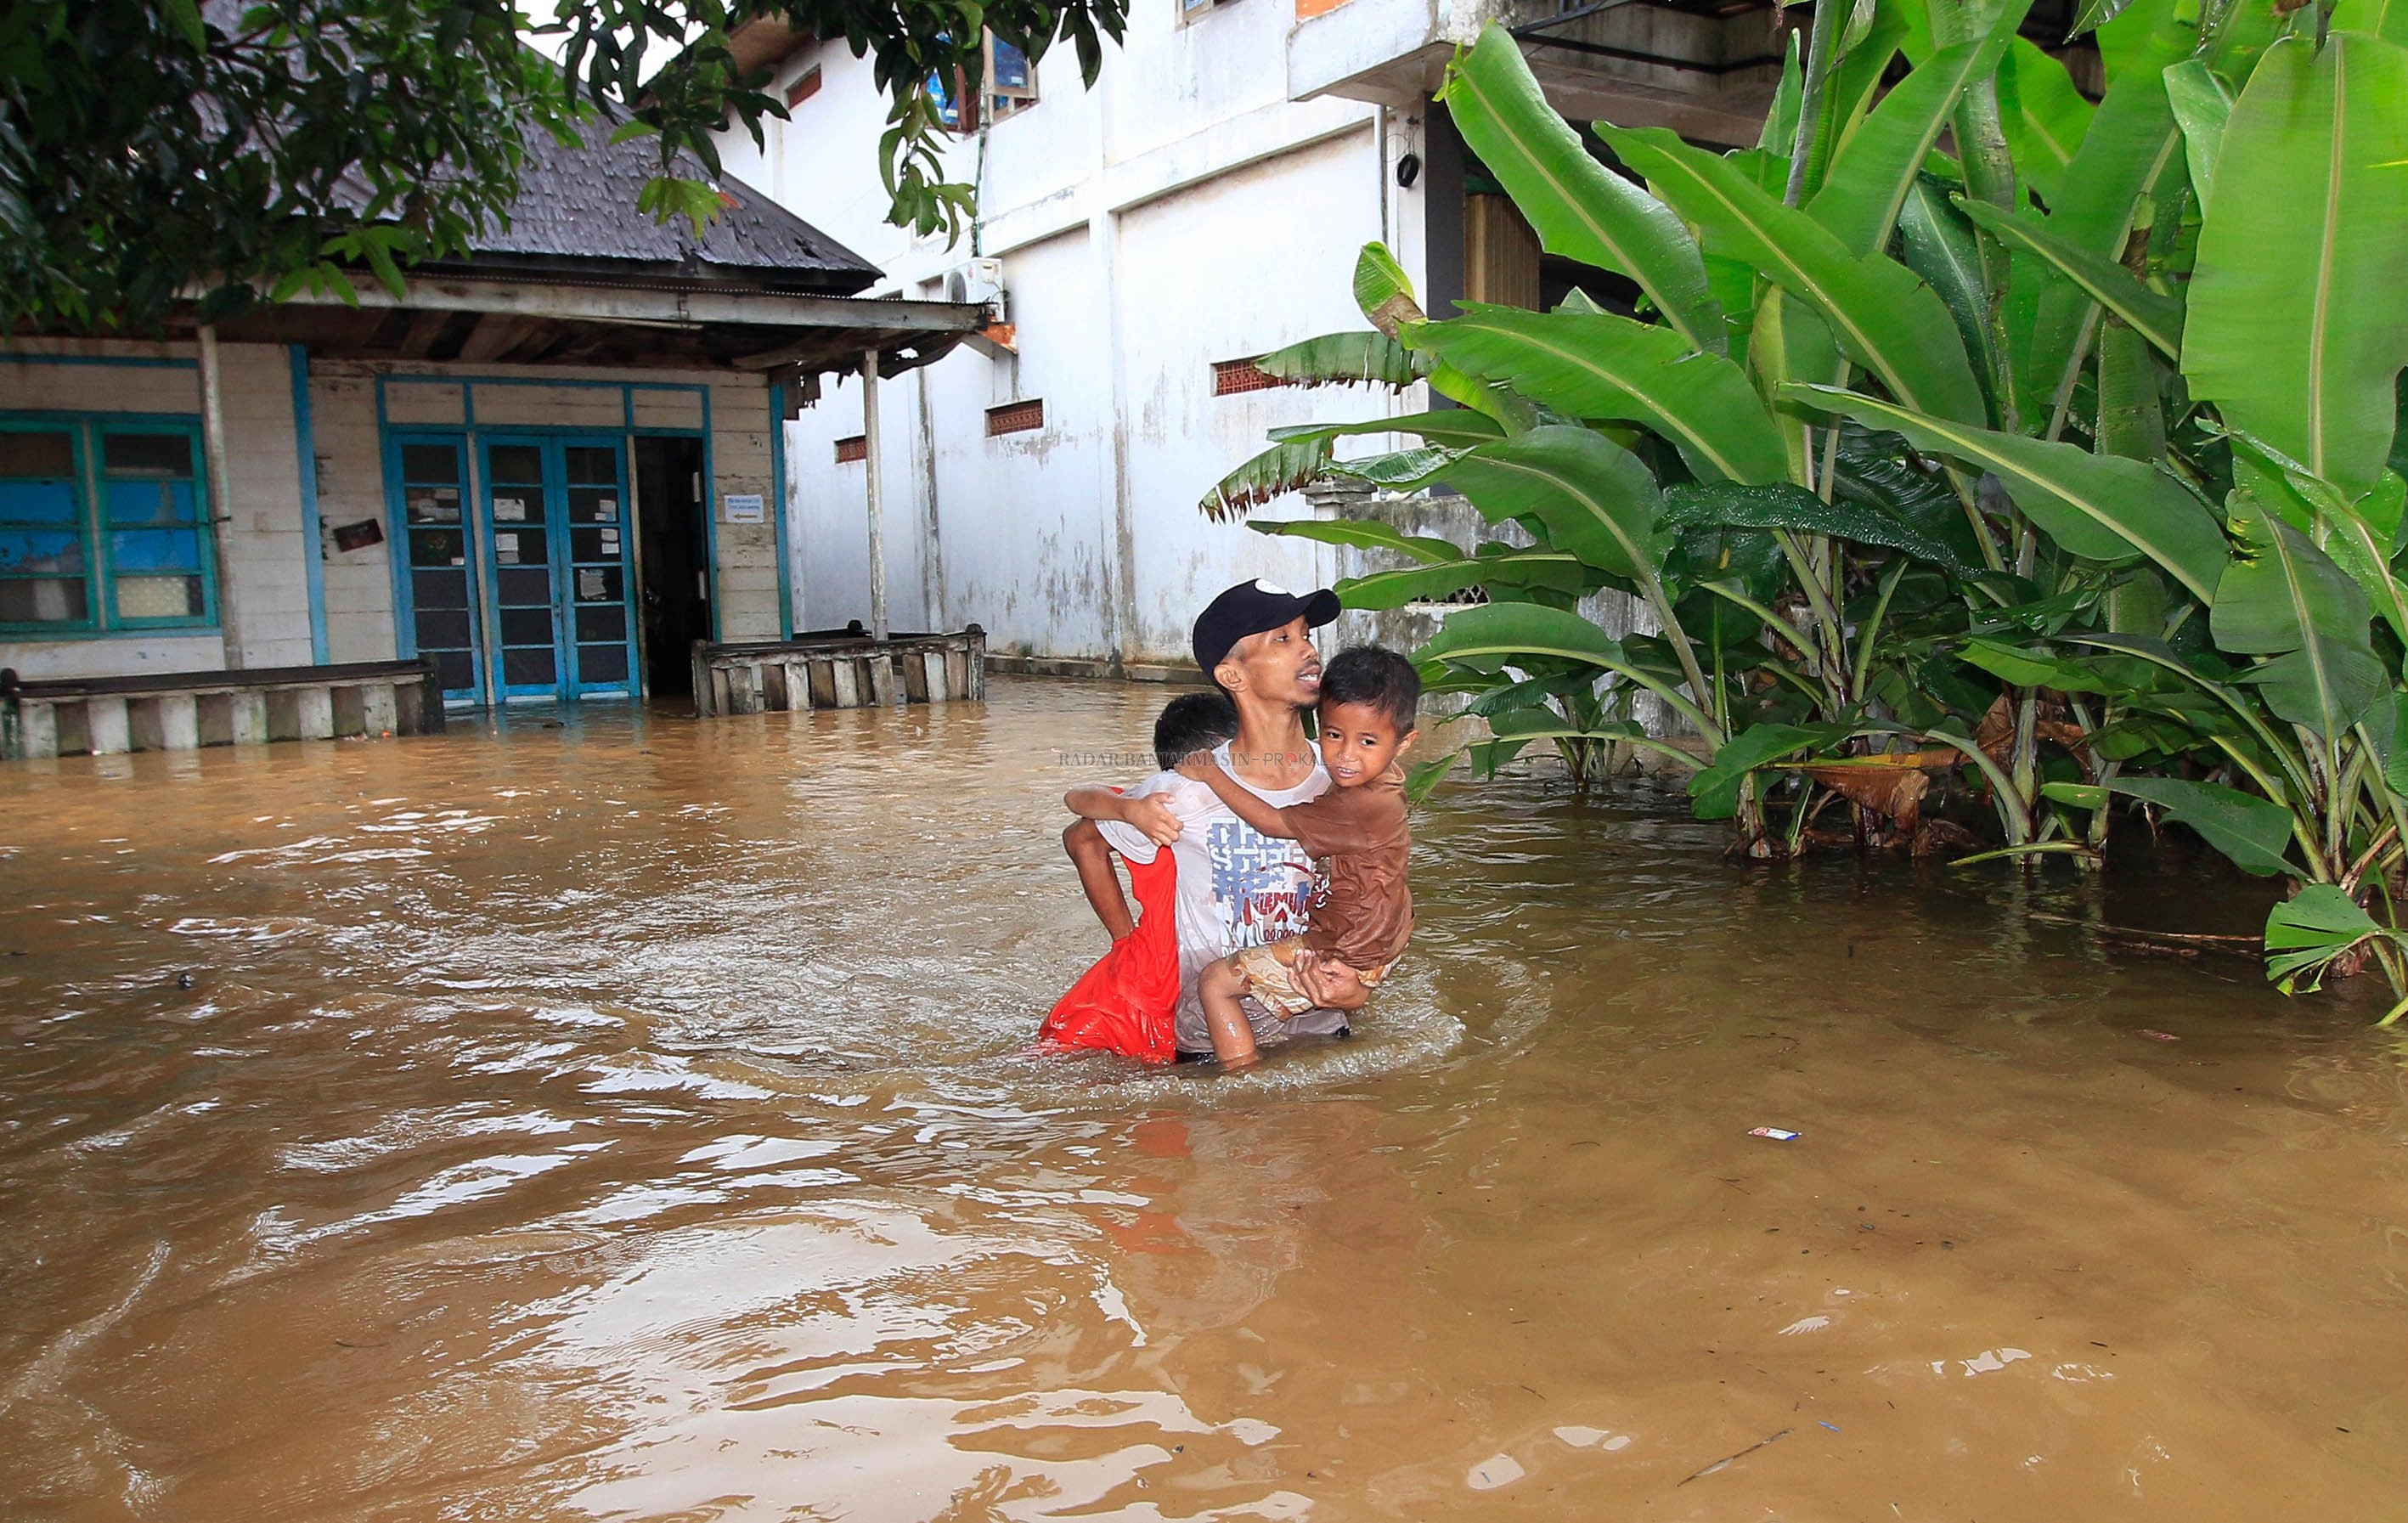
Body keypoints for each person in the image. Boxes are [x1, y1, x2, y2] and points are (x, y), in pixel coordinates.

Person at [1062, 579, 1369, 1058]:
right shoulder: (1188, 788)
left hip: (1323, 1022)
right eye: (1282, 639)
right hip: (1212, 1038)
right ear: (1233, 676)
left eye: (1306, 634)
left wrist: (1362, 984)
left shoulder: (1344, 778)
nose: (1308, 649)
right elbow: (1083, 838)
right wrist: (1127, 942)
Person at [1178, 646, 1417, 1068]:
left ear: (1404, 743)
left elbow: (1272, 822)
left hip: (1348, 946)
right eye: (1334, 735)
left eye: (1366, 741)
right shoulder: (1382, 784)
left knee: (1215, 982)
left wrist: (1211, 772)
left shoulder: (1359, 804)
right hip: (1379, 935)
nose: (1344, 756)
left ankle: (1243, 1077)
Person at [1038, 693, 1238, 1063]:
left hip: (1201, 984)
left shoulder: (1271, 804)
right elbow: (1080, 832)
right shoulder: (1165, 808)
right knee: (1050, 1061)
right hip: (1150, 982)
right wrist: (1123, 937)